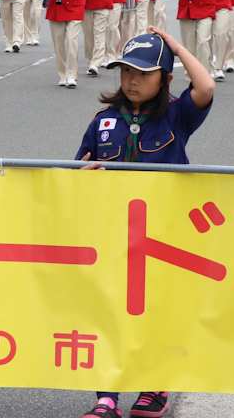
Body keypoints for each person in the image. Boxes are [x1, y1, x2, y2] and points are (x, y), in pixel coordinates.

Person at [75, 28, 215, 418]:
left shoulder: (177, 114)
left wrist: (176, 47)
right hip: (113, 234)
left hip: (163, 236)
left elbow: (205, 88)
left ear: (164, 77)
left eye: (143, 73)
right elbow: (73, 171)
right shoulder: (104, 120)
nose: (132, 80)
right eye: (125, 72)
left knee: (157, 310)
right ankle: (106, 396)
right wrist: (83, 174)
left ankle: (155, 386)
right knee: (109, 310)